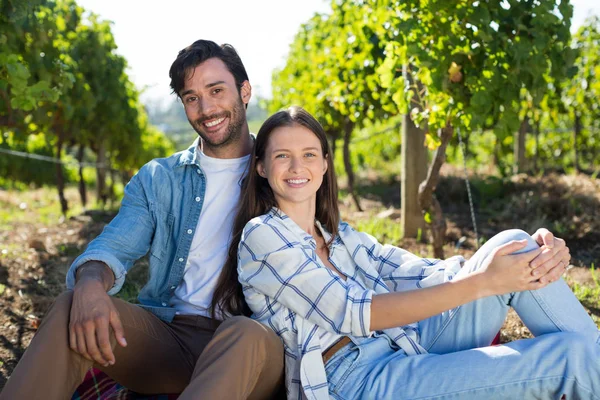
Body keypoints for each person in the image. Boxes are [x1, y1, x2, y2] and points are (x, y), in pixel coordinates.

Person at [216, 106, 598, 400]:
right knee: (571, 356)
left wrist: (536, 250)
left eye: (310, 154)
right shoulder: (262, 235)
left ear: (325, 164)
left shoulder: (341, 238)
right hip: (357, 381)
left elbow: (429, 272)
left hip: (403, 345)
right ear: (262, 167)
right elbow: (355, 311)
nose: (298, 166)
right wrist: (484, 282)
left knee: (513, 242)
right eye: (282, 156)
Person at [0, 40, 284, 400]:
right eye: (191, 97)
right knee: (72, 306)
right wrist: (89, 283)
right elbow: (114, 245)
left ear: (244, 91)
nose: (206, 108)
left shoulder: (280, 171)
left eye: (216, 90)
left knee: (245, 333)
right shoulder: (158, 179)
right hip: (172, 342)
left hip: (254, 348)